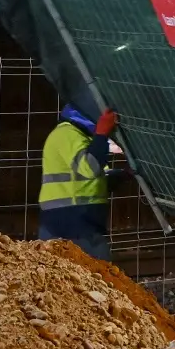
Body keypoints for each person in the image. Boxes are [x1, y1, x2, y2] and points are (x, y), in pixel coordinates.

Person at [37, 103, 123, 260]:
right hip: (70, 221)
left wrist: (124, 175)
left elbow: (93, 179)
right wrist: (101, 134)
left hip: (76, 218)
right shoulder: (67, 134)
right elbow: (90, 168)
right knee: (98, 271)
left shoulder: (78, 136)